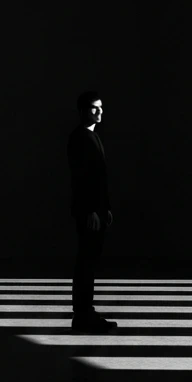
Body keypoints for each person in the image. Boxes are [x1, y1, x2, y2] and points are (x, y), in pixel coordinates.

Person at [68, 91, 117, 332]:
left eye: (101, 107)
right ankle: (83, 315)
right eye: (94, 108)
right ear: (82, 111)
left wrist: (105, 207)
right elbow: (81, 179)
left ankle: (85, 312)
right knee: (86, 263)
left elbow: (99, 178)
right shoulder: (80, 138)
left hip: (96, 210)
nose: (99, 111)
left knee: (89, 261)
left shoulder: (92, 137)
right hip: (90, 212)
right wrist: (91, 210)